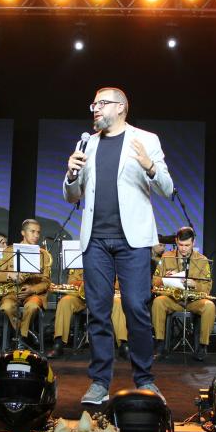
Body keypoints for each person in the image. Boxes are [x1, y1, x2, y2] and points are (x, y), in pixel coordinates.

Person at [64, 86, 174, 404]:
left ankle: (145, 379)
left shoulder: (146, 140)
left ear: (121, 107)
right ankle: (99, 382)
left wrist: (149, 167)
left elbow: (167, 187)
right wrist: (71, 175)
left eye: (101, 104)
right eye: (93, 103)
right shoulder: (87, 143)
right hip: (95, 240)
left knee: (136, 309)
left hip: (133, 240)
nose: (95, 109)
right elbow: (72, 195)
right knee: (97, 312)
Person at [151, 227, 215, 361]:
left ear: (194, 243)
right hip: (173, 300)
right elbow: (154, 281)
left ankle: (202, 346)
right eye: (180, 245)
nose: (184, 248)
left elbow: (207, 288)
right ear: (176, 241)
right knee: (158, 302)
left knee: (209, 306)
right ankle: (160, 344)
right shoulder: (166, 257)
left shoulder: (202, 261)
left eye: (187, 245)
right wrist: (165, 279)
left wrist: (194, 284)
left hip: (194, 301)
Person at [0, 219, 52, 349]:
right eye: (32, 231)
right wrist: (10, 275)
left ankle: (20, 338)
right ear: (23, 233)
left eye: (38, 232)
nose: (36, 235)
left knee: (32, 306)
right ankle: (26, 334)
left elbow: (46, 282)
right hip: (12, 291)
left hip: (33, 293)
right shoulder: (9, 250)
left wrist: (32, 289)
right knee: (7, 307)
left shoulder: (43, 254)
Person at [46, 269, 129, 359]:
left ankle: (123, 344)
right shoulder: (79, 260)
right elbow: (71, 281)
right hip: (81, 297)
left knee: (118, 303)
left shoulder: (111, 258)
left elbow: (119, 283)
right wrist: (83, 283)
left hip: (106, 296)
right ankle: (59, 342)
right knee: (64, 302)